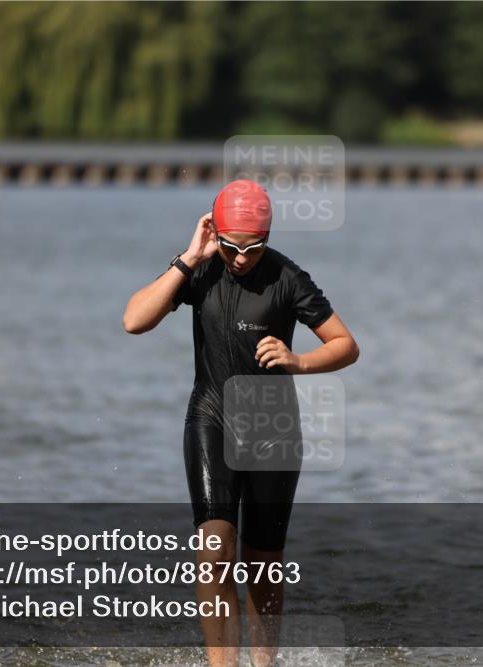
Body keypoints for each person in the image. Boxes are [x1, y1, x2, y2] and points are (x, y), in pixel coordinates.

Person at [123, 180, 359, 667]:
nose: (240, 258)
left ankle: (263, 664)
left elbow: (345, 345)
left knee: (263, 561)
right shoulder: (201, 269)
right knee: (214, 550)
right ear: (216, 234)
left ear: (267, 238)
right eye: (230, 246)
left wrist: (299, 362)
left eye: (253, 247)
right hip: (211, 417)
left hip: (274, 429)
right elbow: (134, 320)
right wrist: (190, 257)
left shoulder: (287, 278)